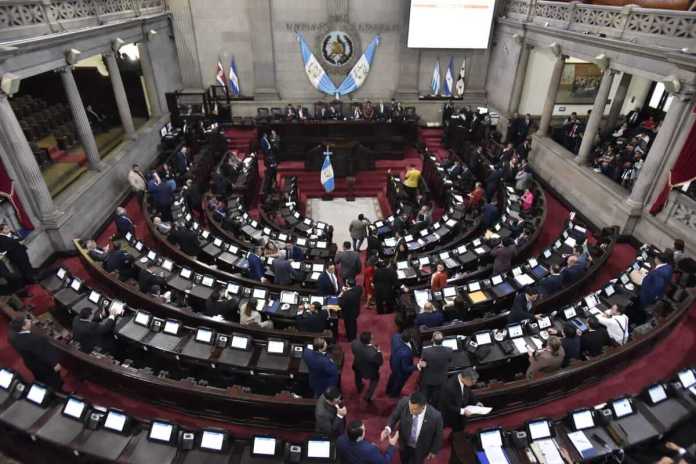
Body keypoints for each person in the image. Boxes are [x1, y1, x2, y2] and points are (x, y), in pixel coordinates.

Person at [382, 392, 444, 464]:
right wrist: (388, 428)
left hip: (421, 448)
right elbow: (394, 416)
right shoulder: (404, 402)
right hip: (404, 443)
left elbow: (438, 435)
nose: (411, 412)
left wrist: (434, 450)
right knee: (404, 460)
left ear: (423, 407)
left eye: (414, 409)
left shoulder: (436, 416)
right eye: (410, 408)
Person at [9, 316, 63, 390]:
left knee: (40, 376)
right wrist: (54, 364)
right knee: (53, 381)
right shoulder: (35, 340)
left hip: (31, 363)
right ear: (23, 327)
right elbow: (43, 354)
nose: (29, 320)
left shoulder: (12, 336)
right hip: (45, 366)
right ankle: (56, 390)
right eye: (26, 321)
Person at [418, 331, 453, 406]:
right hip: (442, 379)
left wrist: (423, 364)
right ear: (443, 340)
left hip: (428, 380)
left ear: (432, 340)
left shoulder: (426, 351)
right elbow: (450, 361)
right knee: (438, 399)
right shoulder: (449, 350)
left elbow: (422, 364)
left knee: (426, 397)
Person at [352, 331, 383, 402]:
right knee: (375, 379)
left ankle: (359, 388)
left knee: (357, 376)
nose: (373, 339)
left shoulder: (354, 344)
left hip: (357, 366)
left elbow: (354, 352)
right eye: (372, 338)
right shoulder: (374, 353)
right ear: (370, 341)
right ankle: (368, 396)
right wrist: (378, 351)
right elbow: (380, 362)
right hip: (370, 372)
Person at [386, 331, 416, 398]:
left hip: (393, 362)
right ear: (410, 339)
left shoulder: (395, 336)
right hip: (401, 371)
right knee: (399, 383)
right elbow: (405, 368)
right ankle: (393, 395)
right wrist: (417, 366)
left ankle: (388, 390)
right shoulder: (406, 353)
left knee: (393, 376)